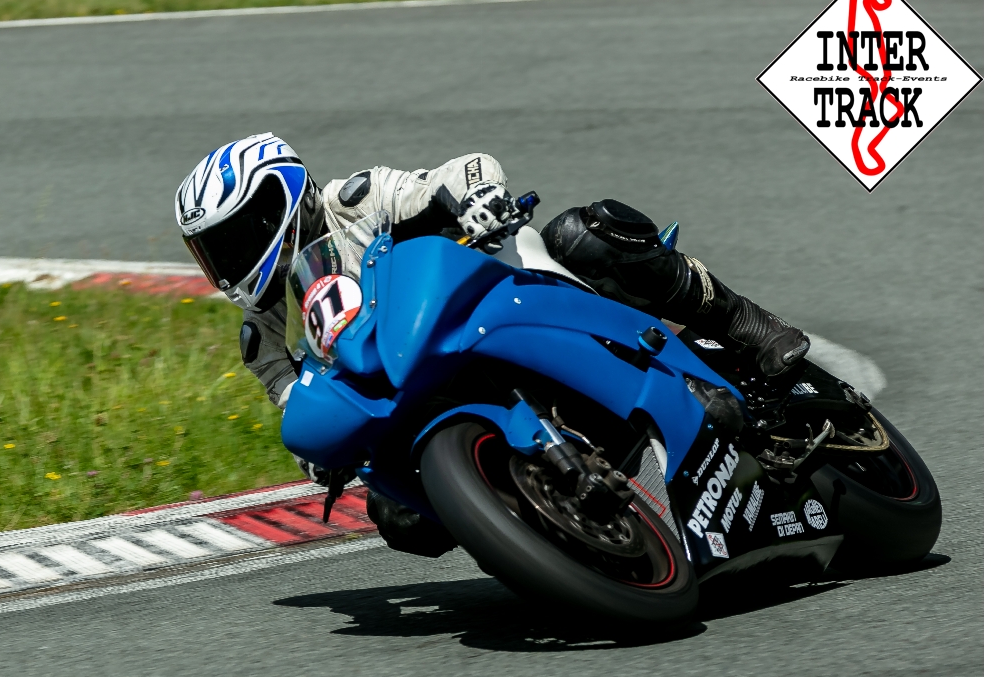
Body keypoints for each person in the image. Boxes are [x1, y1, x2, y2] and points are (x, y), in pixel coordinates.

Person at [175, 133, 810, 556]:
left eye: (234, 238)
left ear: (279, 201)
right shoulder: (261, 330)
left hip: (483, 312)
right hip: (409, 395)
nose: (226, 261)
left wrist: (477, 199)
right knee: (400, 518)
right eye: (212, 251)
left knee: (583, 236)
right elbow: (295, 401)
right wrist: (322, 457)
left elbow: (460, 171)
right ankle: (551, 537)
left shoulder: (355, 200)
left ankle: (746, 324)